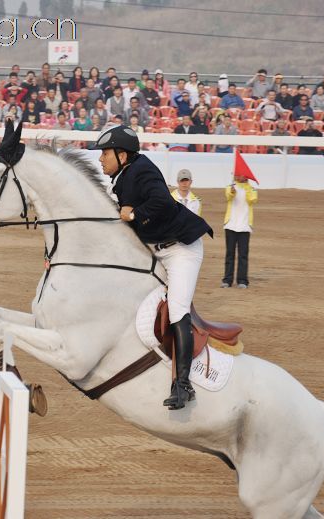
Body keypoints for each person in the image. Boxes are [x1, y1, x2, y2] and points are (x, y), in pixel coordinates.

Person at [91, 125, 213, 411]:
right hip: (155, 250)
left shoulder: (142, 169)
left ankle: (183, 385)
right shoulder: (122, 177)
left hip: (181, 249)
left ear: (122, 154)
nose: (100, 159)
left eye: (105, 153)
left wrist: (133, 214)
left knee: (178, 308)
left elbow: (160, 201)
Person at [221, 171, 258, 289]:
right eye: (238, 174)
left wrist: (246, 186)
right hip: (231, 225)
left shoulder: (251, 189)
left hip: (244, 226)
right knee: (229, 254)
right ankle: (227, 280)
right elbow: (229, 196)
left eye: (242, 174)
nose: (239, 176)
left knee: (243, 255)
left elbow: (253, 199)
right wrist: (232, 190)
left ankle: (242, 280)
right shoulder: (230, 187)